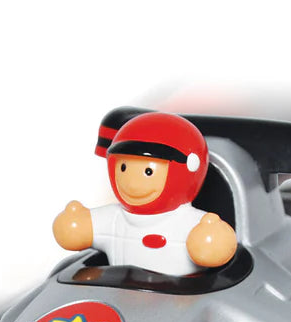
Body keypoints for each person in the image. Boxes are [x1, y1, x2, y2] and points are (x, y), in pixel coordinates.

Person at [53, 112, 237, 276]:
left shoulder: (192, 223)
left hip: (180, 294)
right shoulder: (114, 217)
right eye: (123, 168)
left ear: (190, 167)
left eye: (148, 172)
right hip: (119, 290)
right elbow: (78, 231)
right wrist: (75, 224)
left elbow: (218, 246)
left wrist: (211, 238)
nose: (132, 184)